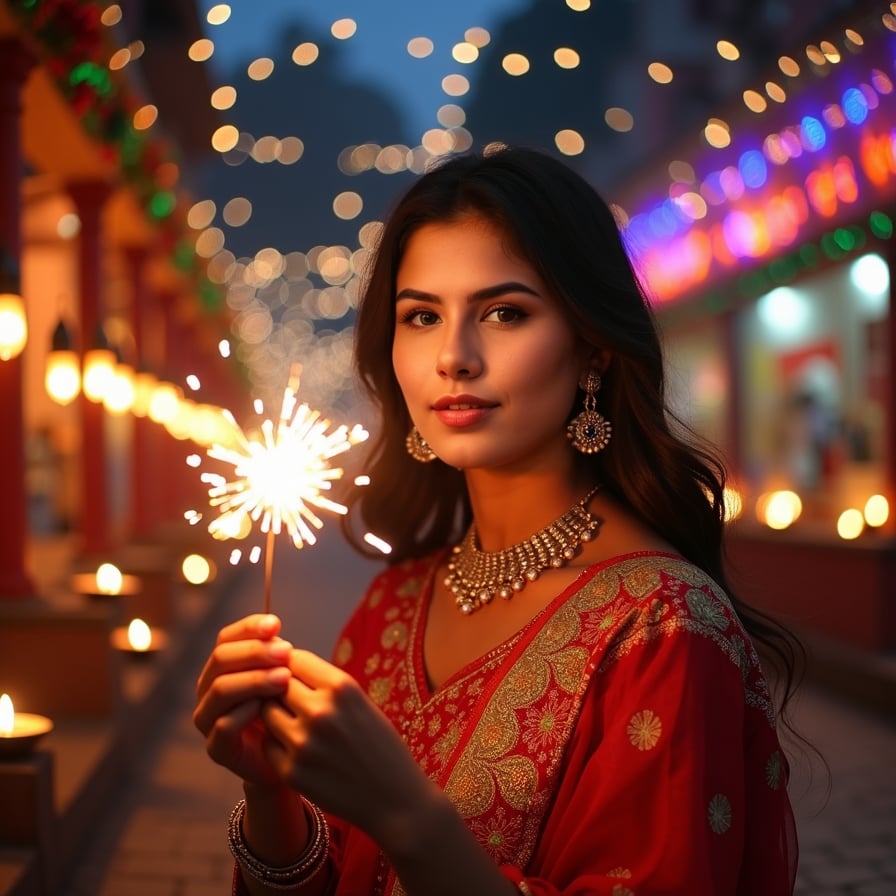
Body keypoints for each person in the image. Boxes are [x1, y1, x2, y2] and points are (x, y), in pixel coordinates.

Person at [194, 145, 799, 895]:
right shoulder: (397, 602)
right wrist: (269, 792)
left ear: (593, 350)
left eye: (504, 312)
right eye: (421, 316)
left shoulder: (664, 628)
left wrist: (407, 815)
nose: (453, 356)